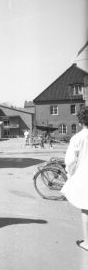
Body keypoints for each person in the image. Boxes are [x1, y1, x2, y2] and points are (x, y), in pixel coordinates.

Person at [61, 106, 88, 252]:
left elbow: (70, 161)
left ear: (80, 121)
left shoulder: (77, 138)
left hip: (85, 176)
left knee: (86, 208)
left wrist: (70, 174)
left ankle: (87, 242)